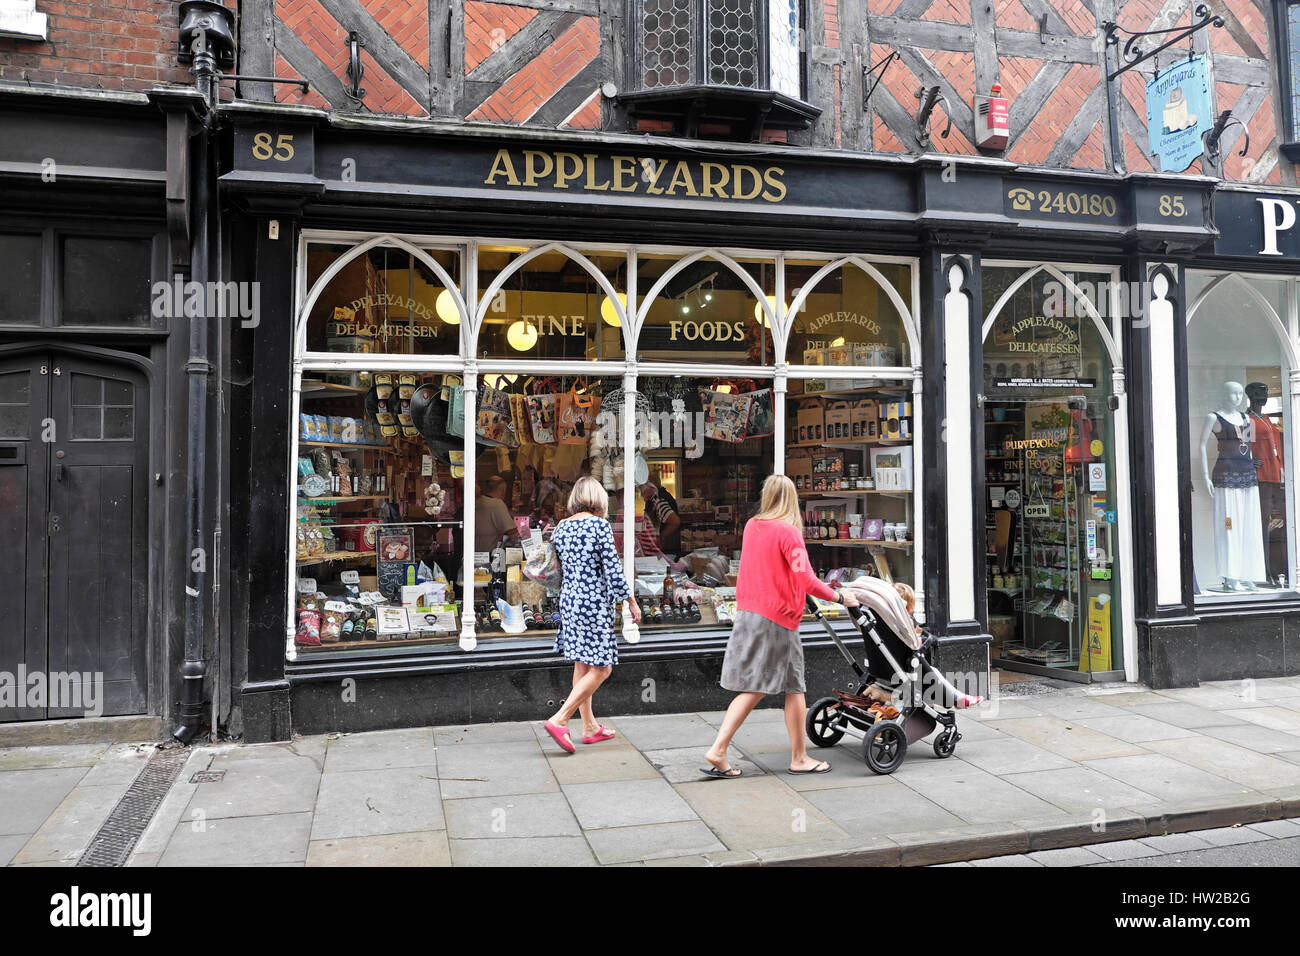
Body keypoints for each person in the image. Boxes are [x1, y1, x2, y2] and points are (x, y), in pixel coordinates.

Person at [701, 474, 857, 778]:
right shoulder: (788, 532)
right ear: (791, 499)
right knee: (774, 687)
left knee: (785, 687)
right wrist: (839, 596)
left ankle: (788, 754)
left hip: (749, 612)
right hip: (777, 620)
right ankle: (726, 750)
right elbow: (805, 578)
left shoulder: (752, 526)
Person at [542, 476, 642, 753]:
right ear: (599, 499)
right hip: (594, 603)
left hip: (569, 602)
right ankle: (560, 719)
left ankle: (589, 727)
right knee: (602, 667)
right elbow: (613, 569)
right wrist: (631, 602)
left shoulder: (562, 527)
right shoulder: (599, 526)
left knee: (582, 665)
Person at [474, 475, 519, 552]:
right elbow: (512, 532)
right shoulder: (497, 504)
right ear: (503, 490)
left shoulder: (477, 501)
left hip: (473, 554)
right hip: (488, 555)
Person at [640, 480, 682, 557]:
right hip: (668, 550)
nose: (642, 496)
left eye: (642, 492)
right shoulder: (661, 497)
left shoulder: (657, 500)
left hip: (666, 551)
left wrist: (659, 537)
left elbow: (675, 521)